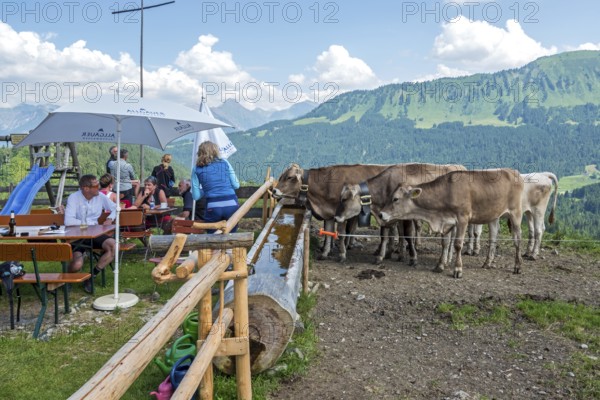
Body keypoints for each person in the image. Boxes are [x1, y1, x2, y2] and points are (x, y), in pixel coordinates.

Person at [64, 174, 116, 293]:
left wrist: (110, 218)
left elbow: (115, 207)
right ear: (86, 188)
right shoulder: (74, 198)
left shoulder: (100, 196)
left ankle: (91, 276)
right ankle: (67, 277)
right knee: (77, 265)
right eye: (96, 185)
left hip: (95, 233)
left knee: (114, 246)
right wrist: (90, 223)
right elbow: (68, 221)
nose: (99, 187)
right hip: (78, 235)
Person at [192, 141, 240, 233]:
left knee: (212, 237)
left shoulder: (196, 169)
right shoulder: (225, 162)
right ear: (215, 151)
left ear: (200, 153)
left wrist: (206, 190)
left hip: (213, 206)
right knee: (231, 235)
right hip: (231, 203)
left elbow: (196, 196)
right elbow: (236, 185)